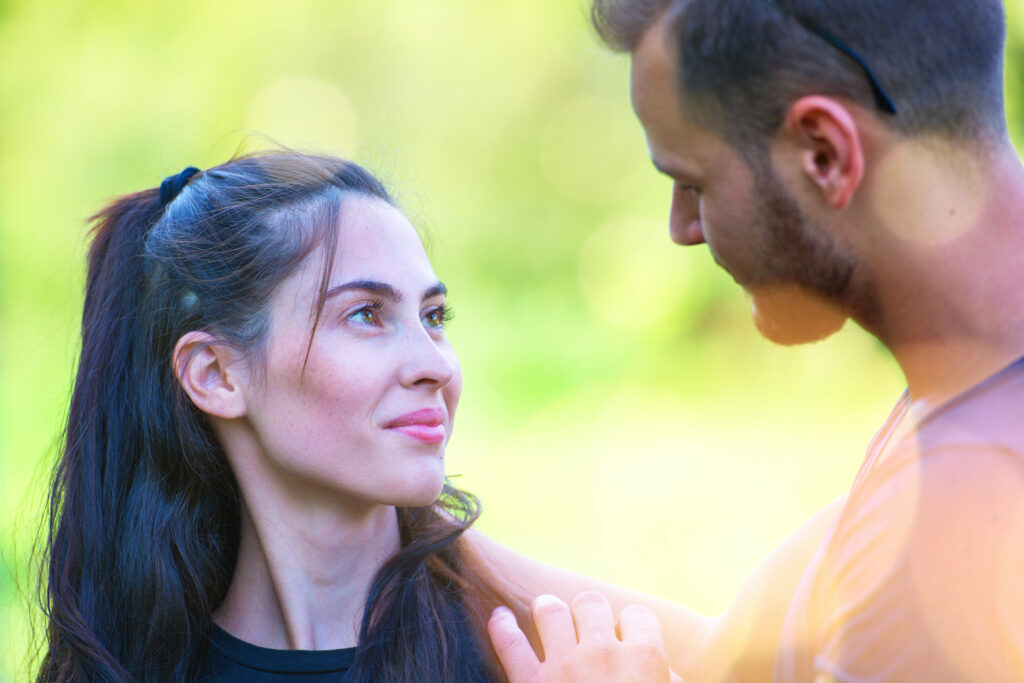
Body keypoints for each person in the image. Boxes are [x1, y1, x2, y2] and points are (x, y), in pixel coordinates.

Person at [489, 0, 1024, 681]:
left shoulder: (953, 520)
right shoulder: (961, 400)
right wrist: (424, 532)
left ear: (823, 153)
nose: (682, 227)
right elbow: (732, 656)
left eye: (693, 182)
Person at [37, 151, 682, 682]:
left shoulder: (552, 653)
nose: (434, 364)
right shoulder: (119, 667)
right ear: (215, 374)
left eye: (434, 318)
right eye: (366, 314)